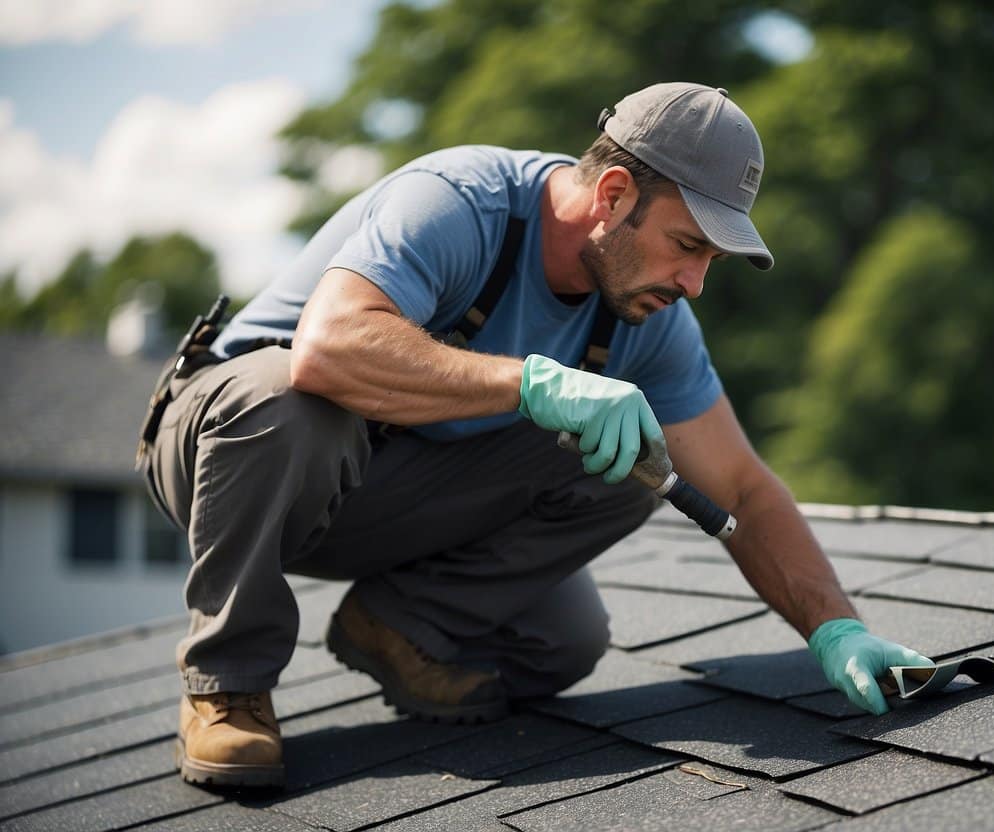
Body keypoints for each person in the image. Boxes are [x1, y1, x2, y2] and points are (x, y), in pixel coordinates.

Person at [142, 82, 933, 789]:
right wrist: (532, 381)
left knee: (565, 635)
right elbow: (328, 350)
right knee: (293, 397)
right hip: (233, 455)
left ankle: (403, 625)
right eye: (689, 246)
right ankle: (227, 684)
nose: (694, 283)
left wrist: (834, 629)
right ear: (614, 193)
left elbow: (740, 487)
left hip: (384, 494)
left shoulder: (651, 321)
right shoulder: (457, 203)